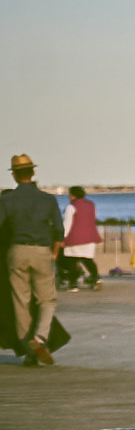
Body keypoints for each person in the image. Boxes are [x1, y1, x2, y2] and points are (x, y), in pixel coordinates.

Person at [2, 155, 65, 363]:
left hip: (16, 251)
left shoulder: (6, 200)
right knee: (47, 299)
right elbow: (58, 230)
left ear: (14, 175)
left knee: (21, 302)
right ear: (33, 173)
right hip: (41, 251)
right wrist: (54, 253)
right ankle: (39, 337)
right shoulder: (48, 199)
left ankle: (28, 351)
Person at [60, 186, 101, 291]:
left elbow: (67, 224)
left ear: (73, 195)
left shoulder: (71, 207)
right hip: (89, 236)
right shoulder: (91, 205)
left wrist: (62, 237)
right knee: (88, 260)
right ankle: (96, 279)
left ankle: (73, 285)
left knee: (72, 261)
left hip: (74, 238)